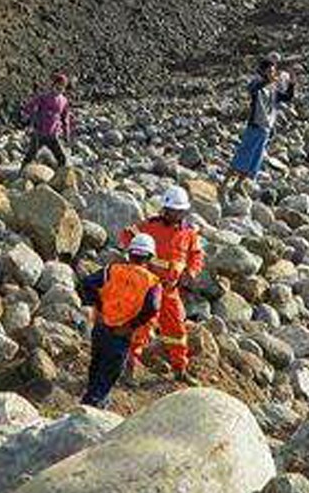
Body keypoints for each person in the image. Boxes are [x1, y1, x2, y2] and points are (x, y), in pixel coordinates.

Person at [120, 185, 205, 375]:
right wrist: (138, 261)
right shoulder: (150, 226)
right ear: (165, 209)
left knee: (175, 328)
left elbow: (197, 255)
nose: (177, 215)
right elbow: (126, 235)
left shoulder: (189, 233)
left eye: (180, 211)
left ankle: (179, 369)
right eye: (174, 211)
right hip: (148, 286)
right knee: (143, 325)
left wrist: (191, 271)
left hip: (170, 289)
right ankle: (129, 364)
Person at [77, 233, 164, 406]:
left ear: (130, 253)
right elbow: (153, 307)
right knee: (109, 373)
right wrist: (131, 326)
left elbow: (86, 284)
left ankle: (92, 400)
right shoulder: (152, 282)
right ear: (149, 257)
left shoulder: (112, 270)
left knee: (96, 366)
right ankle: (92, 406)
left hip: (101, 328)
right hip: (120, 333)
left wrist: (100, 309)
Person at [225, 57, 296, 194]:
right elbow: (253, 89)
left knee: (255, 160)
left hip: (266, 129)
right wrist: (268, 80)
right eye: (269, 71)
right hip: (255, 126)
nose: (273, 74)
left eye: (273, 71)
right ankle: (225, 182)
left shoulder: (273, 89)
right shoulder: (257, 85)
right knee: (243, 155)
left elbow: (287, 98)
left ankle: (239, 184)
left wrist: (292, 84)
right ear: (263, 72)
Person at [21, 73, 77, 171]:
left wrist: (66, 134)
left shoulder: (64, 101)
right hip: (39, 133)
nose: (60, 88)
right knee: (30, 156)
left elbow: (65, 118)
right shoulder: (44, 97)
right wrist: (26, 117)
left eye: (62, 86)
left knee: (61, 158)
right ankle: (21, 172)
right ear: (53, 85)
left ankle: (59, 178)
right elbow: (30, 105)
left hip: (53, 134)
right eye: (58, 85)